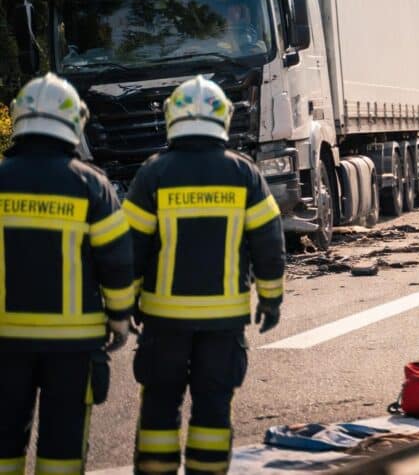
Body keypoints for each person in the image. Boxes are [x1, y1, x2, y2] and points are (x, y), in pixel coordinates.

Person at [125, 75, 285, 474]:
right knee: (213, 409)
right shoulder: (244, 173)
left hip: (163, 321)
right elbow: (269, 241)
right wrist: (271, 298)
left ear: (172, 117)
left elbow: (130, 250)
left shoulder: (152, 174)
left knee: (160, 407)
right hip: (223, 323)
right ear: (223, 118)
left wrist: (123, 304)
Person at [0, 73, 134, 475]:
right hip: (73, 348)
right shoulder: (92, 186)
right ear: (75, 121)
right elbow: (117, 262)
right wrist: (119, 318)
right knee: (63, 447)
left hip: (5, 343)